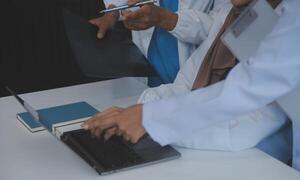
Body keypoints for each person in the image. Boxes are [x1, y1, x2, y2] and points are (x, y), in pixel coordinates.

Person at [83, 0, 300, 166]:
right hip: (217, 154)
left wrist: (150, 120)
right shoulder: (238, 15)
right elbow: (189, 82)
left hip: (258, 165)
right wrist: (139, 110)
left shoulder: (284, 22)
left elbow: (248, 108)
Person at [90, 0, 219, 86]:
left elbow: (225, 28)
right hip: (147, 82)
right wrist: (115, 10)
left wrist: (166, 19)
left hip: (198, 83)